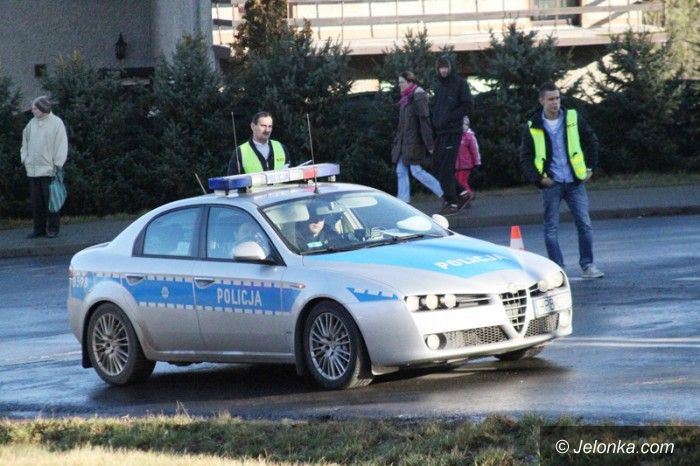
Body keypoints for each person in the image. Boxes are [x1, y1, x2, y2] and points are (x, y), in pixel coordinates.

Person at [520, 82, 604, 279]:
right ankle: (558, 269)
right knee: (551, 228)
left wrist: (590, 167)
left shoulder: (572, 118)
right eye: (550, 99)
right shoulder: (533, 125)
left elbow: (591, 141)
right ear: (541, 101)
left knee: (585, 224)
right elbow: (526, 157)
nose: (555, 103)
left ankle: (588, 265)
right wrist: (539, 179)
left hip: (574, 181)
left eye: (557, 98)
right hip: (552, 183)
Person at [390, 71, 443, 204]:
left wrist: (429, 144)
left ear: (410, 82)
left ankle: (444, 192)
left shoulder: (418, 97)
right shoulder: (405, 98)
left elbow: (424, 121)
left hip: (413, 143)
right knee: (401, 171)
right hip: (404, 143)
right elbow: (402, 125)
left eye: (402, 82)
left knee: (416, 171)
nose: (399, 85)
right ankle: (403, 201)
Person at [20, 96, 68, 239]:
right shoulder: (31, 124)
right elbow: (24, 144)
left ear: (43, 108)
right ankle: (38, 229)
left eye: (35, 108)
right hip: (33, 171)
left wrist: (58, 164)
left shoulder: (56, 123)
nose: (32, 110)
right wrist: (25, 159)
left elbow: (61, 145)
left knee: (51, 202)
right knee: (36, 203)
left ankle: (53, 228)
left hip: (50, 170)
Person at [432, 55, 473, 216]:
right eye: (441, 67)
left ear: (450, 68)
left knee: (446, 169)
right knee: (437, 166)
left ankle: (452, 202)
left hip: (452, 132)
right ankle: (462, 193)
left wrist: (450, 118)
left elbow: (467, 105)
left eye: (446, 67)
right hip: (441, 132)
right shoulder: (439, 86)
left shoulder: (459, 84)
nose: (443, 70)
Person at [227, 111, 291, 175]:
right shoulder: (240, 152)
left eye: (270, 126)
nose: (267, 130)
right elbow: (232, 179)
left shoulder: (281, 147)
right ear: (252, 126)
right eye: (263, 126)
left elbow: (291, 174)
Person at [454, 115, 481, 205]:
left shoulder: (469, 137)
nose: (463, 126)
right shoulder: (455, 136)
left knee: (462, 182)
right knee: (457, 182)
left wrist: (477, 162)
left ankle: (468, 197)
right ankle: (464, 197)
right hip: (456, 165)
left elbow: (475, 150)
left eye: (466, 124)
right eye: (462, 124)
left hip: (466, 164)